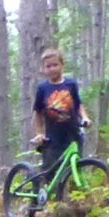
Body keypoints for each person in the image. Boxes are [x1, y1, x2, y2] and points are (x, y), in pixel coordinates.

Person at [30, 48, 90, 181]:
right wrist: (39, 133)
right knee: (51, 172)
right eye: (48, 66)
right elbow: (38, 112)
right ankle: (46, 198)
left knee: (75, 168)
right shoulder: (42, 88)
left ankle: (75, 198)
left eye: (55, 65)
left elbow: (78, 104)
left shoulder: (71, 84)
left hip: (73, 133)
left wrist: (85, 118)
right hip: (53, 137)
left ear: (62, 65)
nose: (52, 69)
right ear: (44, 69)